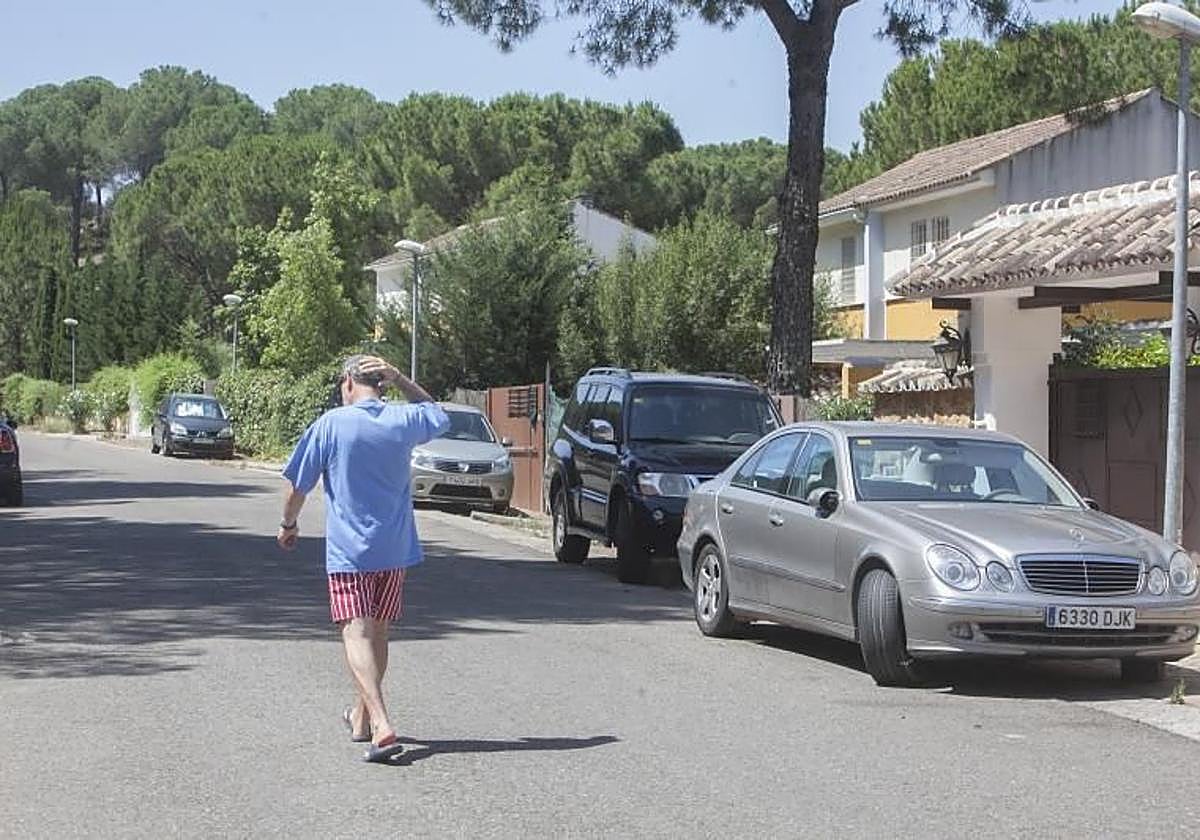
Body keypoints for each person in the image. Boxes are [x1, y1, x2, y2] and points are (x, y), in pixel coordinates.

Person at [277, 354, 449, 763]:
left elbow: (298, 484)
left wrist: (288, 524)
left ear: (348, 383)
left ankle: (383, 723)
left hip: (350, 552)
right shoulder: (402, 421)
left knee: (356, 633)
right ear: (381, 383)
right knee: (378, 632)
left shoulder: (331, 424)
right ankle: (360, 717)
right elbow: (438, 414)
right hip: (395, 549)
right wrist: (403, 378)